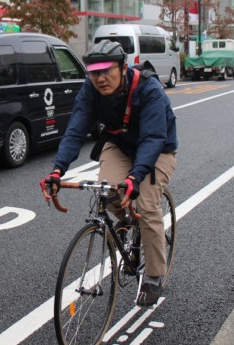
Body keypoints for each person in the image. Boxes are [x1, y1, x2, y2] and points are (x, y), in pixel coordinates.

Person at [40, 40, 178, 307]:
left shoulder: (149, 89)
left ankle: (153, 275)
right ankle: (127, 222)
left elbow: (153, 138)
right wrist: (57, 170)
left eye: (106, 71)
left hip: (158, 148)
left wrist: (135, 178)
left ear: (123, 67)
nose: (100, 78)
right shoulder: (91, 90)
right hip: (120, 143)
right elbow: (75, 130)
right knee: (108, 190)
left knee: (147, 205)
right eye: (94, 72)